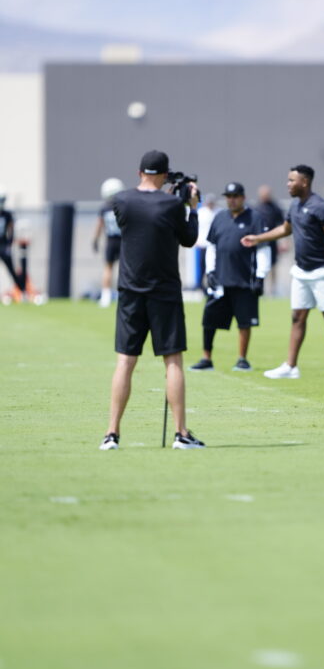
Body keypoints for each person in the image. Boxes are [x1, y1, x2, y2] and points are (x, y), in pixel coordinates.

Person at [99, 150, 204, 451]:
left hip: (130, 291)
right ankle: (181, 434)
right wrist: (191, 207)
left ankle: (111, 434)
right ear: (164, 174)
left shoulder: (121, 201)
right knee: (172, 361)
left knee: (125, 361)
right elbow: (188, 238)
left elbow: (139, 218)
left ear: (139, 172)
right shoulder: (172, 204)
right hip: (164, 292)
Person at [241, 164, 324, 379]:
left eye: (292, 180)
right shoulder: (294, 206)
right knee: (297, 317)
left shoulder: (320, 206)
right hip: (301, 271)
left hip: (323, 270)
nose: (288, 184)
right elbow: (284, 229)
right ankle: (290, 367)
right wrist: (257, 238)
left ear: (305, 182)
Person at [190, 182, 271, 373]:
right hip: (220, 278)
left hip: (245, 279)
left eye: (235, 196)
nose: (232, 200)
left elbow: (263, 248)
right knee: (209, 319)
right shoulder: (219, 218)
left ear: (242, 197)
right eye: (228, 196)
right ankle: (206, 358)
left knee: (244, 322)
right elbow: (211, 246)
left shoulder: (255, 218)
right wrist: (210, 272)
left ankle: (242, 358)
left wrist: (260, 276)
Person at [92, 177, 124, 307]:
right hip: (123, 240)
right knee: (125, 270)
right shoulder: (123, 207)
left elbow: (99, 225)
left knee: (108, 268)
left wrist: (95, 240)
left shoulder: (104, 208)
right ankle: (123, 294)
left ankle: (105, 296)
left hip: (111, 241)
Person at [256, 185, 285, 296]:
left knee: (273, 266)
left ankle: (273, 289)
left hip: (272, 241)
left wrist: (283, 242)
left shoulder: (275, 208)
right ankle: (260, 287)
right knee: (261, 265)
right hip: (259, 242)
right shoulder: (257, 208)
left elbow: (283, 225)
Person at [0, 185, 24, 296]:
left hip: (4, 246)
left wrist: (9, 245)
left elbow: (11, 231)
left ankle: (22, 292)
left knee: (12, 271)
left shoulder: (7, 215)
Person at [193, 193, 217, 291]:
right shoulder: (201, 212)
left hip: (213, 244)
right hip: (203, 243)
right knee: (202, 266)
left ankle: (213, 284)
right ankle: (201, 286)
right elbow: (195, 227)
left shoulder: (217, 212)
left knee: (212, 266)